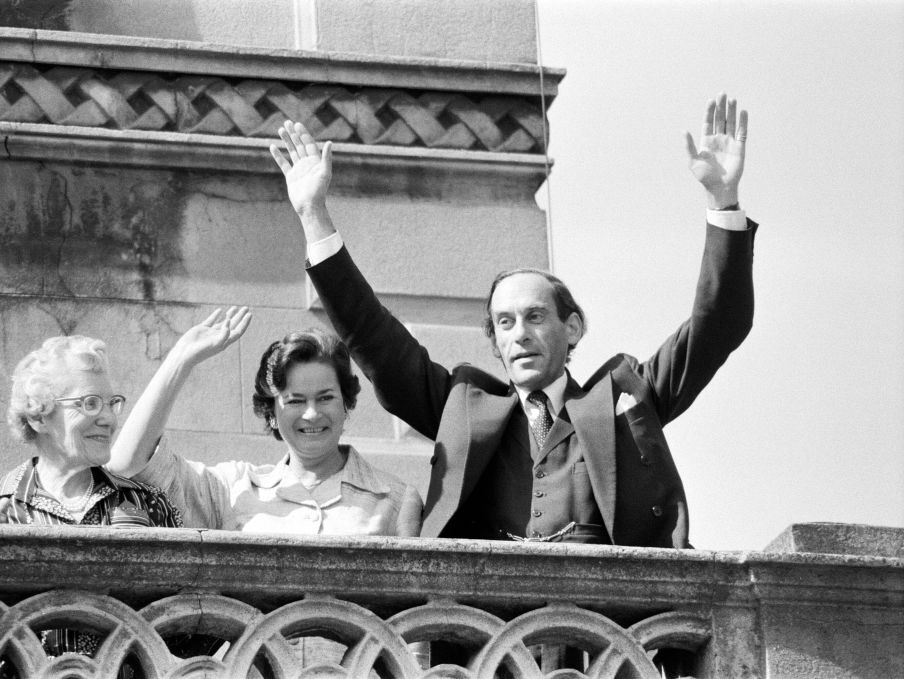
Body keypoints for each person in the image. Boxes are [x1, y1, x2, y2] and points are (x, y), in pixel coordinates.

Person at [269, 93, 756, 548]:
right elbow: (373, 337)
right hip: (491, 632)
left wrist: (723, 203)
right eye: (504, 323)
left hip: (607, 628)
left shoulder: (621, 396)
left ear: (573, 328)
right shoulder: (461, 406)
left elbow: (717, 326)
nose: (519, 333)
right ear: (494, 341)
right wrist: (314, 214)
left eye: (535, 316)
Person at [0, 335, 183, 675]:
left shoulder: (148, 503)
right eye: (89, 403)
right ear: (40, 417)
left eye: (112, 402)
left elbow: (188, 632)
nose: (109, 419)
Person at [108, 307, 423, 537]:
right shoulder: (232, 489)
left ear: (346, 403)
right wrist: (181, 359)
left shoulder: (396, 498)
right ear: (271, 412)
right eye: (295, 400)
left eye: (325, 397)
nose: (312, 414)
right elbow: (128, 463)